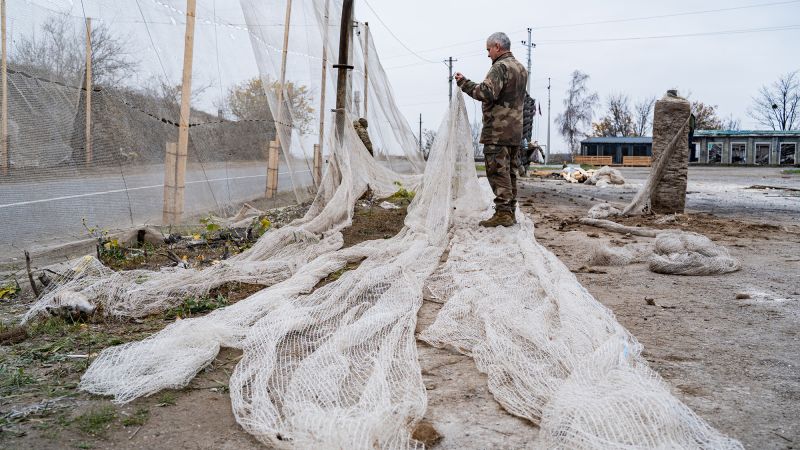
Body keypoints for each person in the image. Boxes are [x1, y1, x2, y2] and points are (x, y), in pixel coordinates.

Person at [455, 32, 527, 227]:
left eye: (489, 50)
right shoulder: (521, 68)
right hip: (515, 131)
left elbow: (486, 92)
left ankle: (503, 213)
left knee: (497, 172)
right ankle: (509, 211)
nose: (488, 54)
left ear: (497, 46)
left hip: (497, 131)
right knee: (510, 172)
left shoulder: (500, 67)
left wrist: (464, 83)